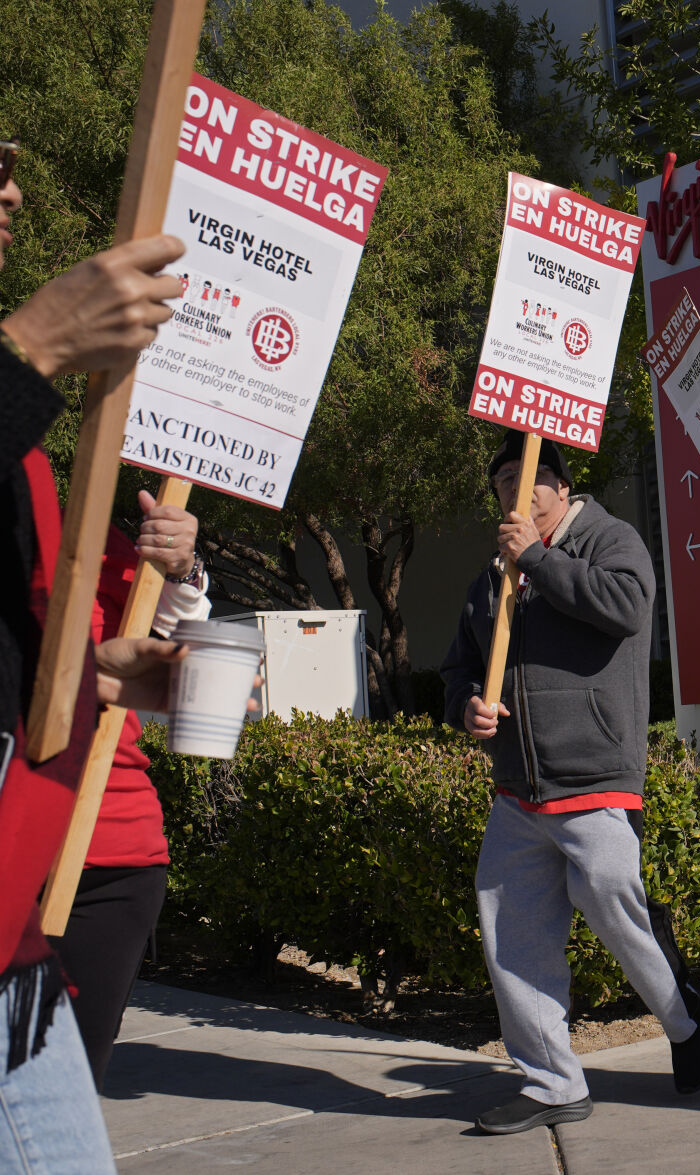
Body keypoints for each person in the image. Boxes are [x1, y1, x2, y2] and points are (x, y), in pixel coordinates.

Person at [1, 134, 195, 1171]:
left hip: (21, 909)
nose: (16, 188)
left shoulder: (25, 459)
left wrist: (99, 674)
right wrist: (29, 351)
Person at [441, 430, 700, 1135]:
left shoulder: (611, 540)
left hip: (595, 777)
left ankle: (682, 1018)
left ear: (561, 488)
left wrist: (536, 558)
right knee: (512, 932)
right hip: (517, 790)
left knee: (615, 907)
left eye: (528, 479)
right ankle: (551, 1081)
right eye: (502, 482)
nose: (515, 491)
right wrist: (467, 702)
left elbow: (623, 607)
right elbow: (459, 668)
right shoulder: (490, 576)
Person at [47, 499, 211, 1091]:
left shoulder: (76, 527)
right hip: (18, 855)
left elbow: (177, 636)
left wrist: (183, 568)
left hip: (112, 859)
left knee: (60, 1104)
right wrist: (84, 674)